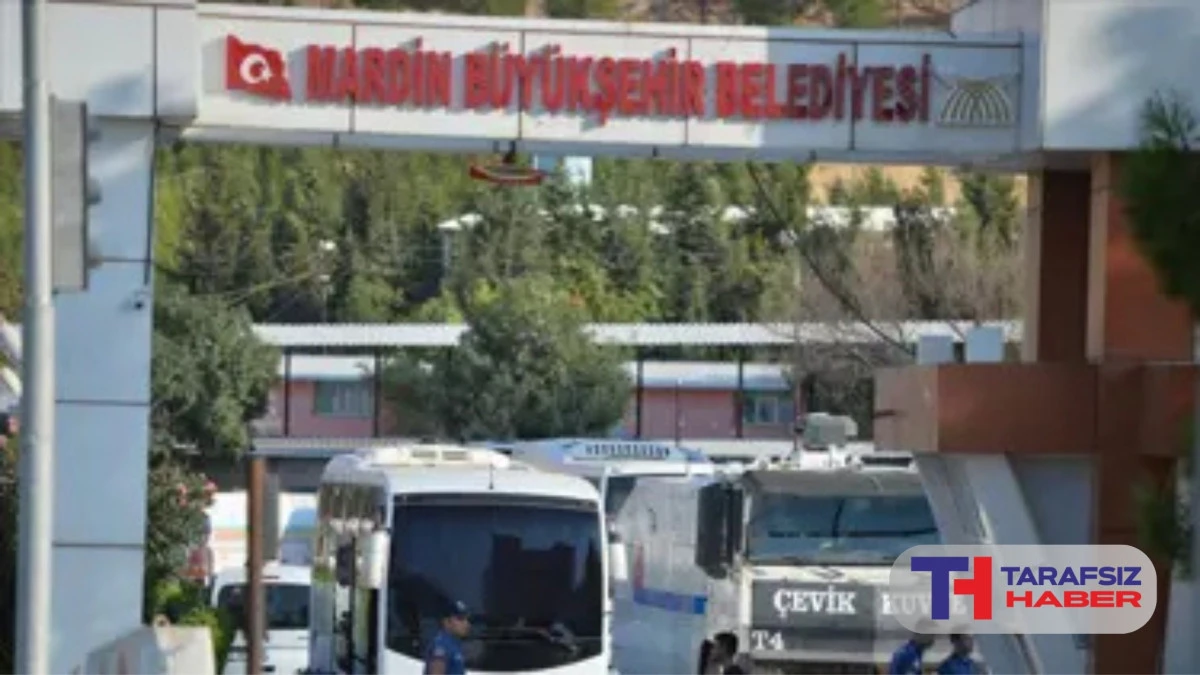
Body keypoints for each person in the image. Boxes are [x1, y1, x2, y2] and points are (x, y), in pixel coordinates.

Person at [424, 600, 470, 675]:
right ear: (447, 622)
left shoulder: (455, 643)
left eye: (467, 619)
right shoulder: (441, 644)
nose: (466, 623)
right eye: (460, 619)